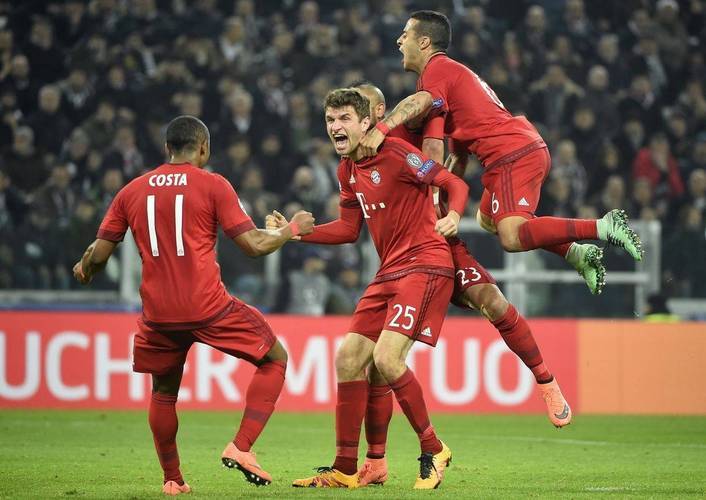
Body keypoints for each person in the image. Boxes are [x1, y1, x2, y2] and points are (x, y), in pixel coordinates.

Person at [72, 115, 314, 495]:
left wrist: (84, 267)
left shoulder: (131, 191)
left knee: (163, 393)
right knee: (275, 359)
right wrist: (292, 229)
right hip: (208, 307)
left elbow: (98, 256)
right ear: (203, 148)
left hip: (158, 315)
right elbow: (254, 246)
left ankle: (173, 479)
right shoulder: (213, 184)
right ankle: (242, 446)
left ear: (167, 148)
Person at [350, 82, 572, 487]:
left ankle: (546, 381)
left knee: (492, 302)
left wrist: (452, 189)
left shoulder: (410, 127)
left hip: (440, 242)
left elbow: (432, 113)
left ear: (380, 111)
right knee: (379, 365)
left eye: (362, 108)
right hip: (406, 257)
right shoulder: (364, 154)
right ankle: (376, 461)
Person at [358, 10, 643, 295]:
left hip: (511, 154)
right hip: (515, 151)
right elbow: (458, 157)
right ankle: (576, 253)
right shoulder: (448, 78)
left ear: (424, 42)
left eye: (405, 35)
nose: (398, 41)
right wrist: (440, 197)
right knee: (487, 220)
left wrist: (382, 128)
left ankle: (603, 226)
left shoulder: (437, 69)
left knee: (512, 236)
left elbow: (420, 103)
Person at [270, 88, 469, 489]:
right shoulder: (347, 170)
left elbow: (453, 184)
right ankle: (345, 469)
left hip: (425, 264)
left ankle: (433, 448)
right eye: (330, 120)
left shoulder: (396, 153)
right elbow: (348, 229)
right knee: (348, 358)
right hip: (389, 271)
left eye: (344, 118)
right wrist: (293, 233)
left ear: (366, 123)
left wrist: (455, 216)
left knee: (387, 359)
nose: (335, 127)